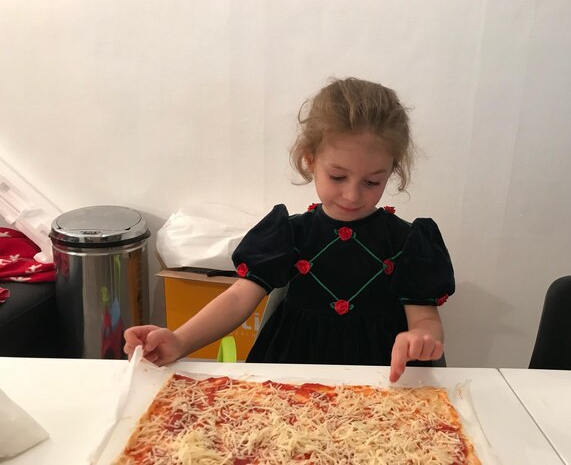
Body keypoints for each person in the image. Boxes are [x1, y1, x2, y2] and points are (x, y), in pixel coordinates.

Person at [124, 77, 455, 382]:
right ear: (310, 160)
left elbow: (424, 319)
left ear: (391, 172)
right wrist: (179, 339)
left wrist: (423, 338)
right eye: (338, 177)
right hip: (293, 367)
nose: (353, 194)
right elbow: (239, 299)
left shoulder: (408, 241)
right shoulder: (289, 233)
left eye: (372, 181)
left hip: (381, 372)